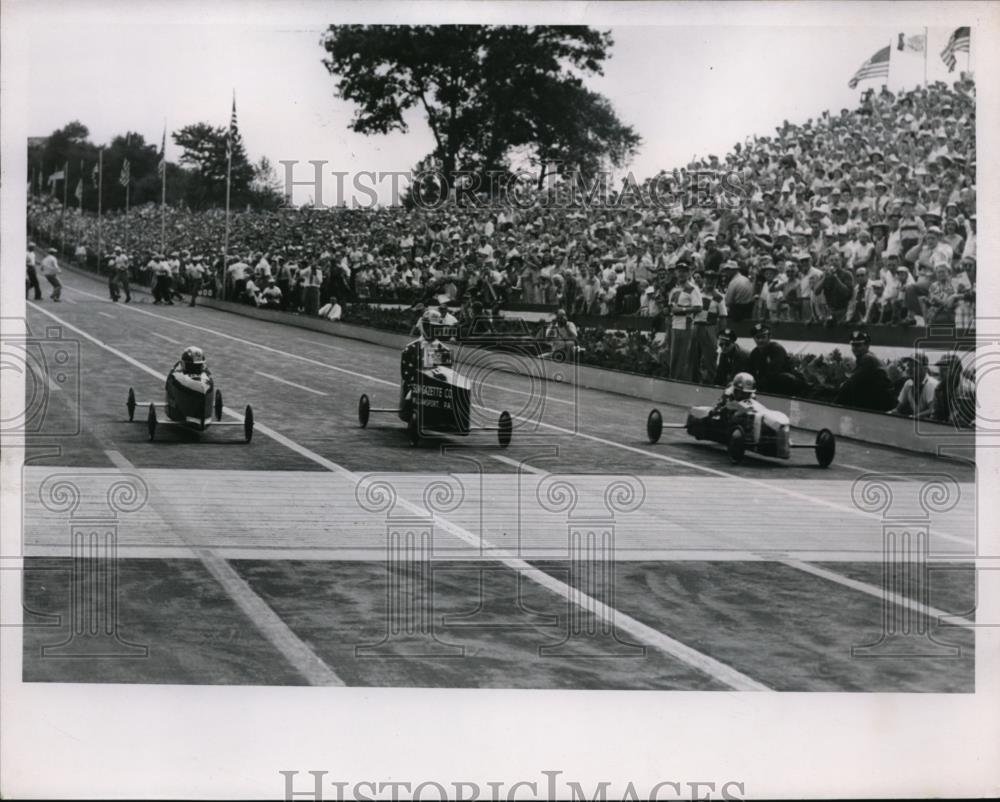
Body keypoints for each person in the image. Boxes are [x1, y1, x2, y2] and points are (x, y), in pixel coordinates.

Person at [835, 330, 895, 411]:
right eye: (853, 345)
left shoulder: (868, 359)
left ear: (867, 346)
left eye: (859, 345)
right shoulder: (866, 358)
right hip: (878, 401)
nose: (855, 348)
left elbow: (851, 383)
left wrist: (834, 405)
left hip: (879, 405)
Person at [748, 323, 802, 395]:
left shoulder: (777, 349)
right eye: (757, 337)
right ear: (754, 339)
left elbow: (773, 373)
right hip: (768, 385)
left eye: (763, 337)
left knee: (781, 378)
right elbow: (751, 372)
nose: (760, 340)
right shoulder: (755, 353)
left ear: (769, 337)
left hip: (786, 386)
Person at [931, 354, 975, 428]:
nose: (940, 372)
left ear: (957, 370)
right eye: (940, 368)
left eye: (945, 369)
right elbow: (935, 414)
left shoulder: (969, 389)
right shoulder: (939, 388)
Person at [889, 354, 938, 419]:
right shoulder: (908, 384)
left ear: (925, 368)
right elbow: (898, 408)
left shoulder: (931, 384)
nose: (909, 369)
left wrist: (913, 417)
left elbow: (932, 410)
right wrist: (888, 414)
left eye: (914, 366)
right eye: (909, 365)